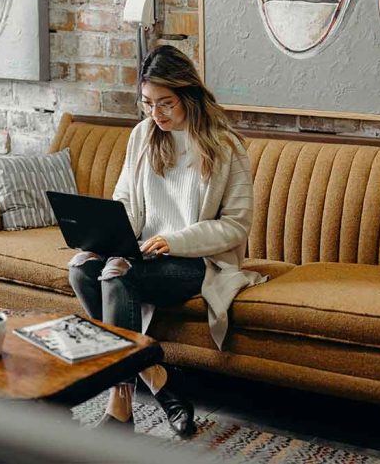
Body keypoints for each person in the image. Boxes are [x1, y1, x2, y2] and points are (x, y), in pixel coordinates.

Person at [68, 45, 264, 435]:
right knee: (82, 268)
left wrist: (174, 241)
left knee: (117, 275)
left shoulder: (226, 147)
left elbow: (236, 226)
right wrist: (106, 236)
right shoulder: (143, 136)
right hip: (140, 251)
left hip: (195, 261)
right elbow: (124, 198)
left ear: (189, 95)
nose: (155, 115)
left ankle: (119, 407)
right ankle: (158, 376)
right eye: (147, 104)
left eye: (166, 104)